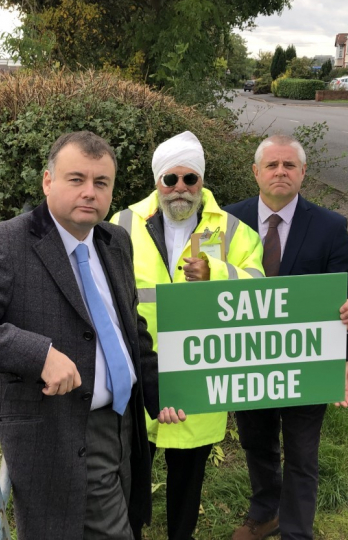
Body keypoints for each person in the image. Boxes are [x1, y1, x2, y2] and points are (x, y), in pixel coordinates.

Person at [0, 131, 183, 540]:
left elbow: (132, 330)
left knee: (128, 518)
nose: (89, 193)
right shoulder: (8, 245)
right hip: (61, 433)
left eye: (101, 183)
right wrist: (37, 353)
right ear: (47, 181)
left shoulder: (116, 241)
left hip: (123, 427)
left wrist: (157, 391)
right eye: (76, 179)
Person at [111, 131, 264, 540]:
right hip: (139, 370)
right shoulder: (123, 224)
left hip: (200, 371)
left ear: (202, 181)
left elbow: (260, 285)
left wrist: (218, 273)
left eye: (190, 179)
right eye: (171, 179)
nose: (180, 188)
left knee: (188, 474)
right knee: (132, 472)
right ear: (158, 181)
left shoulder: (232, 230)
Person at [224, 134, 348, 540]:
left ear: (303, 172)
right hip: (246, 359)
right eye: (272, 165)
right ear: (256, 172)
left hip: (306, 361)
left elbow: (347, 287)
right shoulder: (229, 220)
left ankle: (297, 531)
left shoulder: (330, 225)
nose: (280, 172)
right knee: (256, 441)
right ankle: (265, 512)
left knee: (303, 452)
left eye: (289, 165)